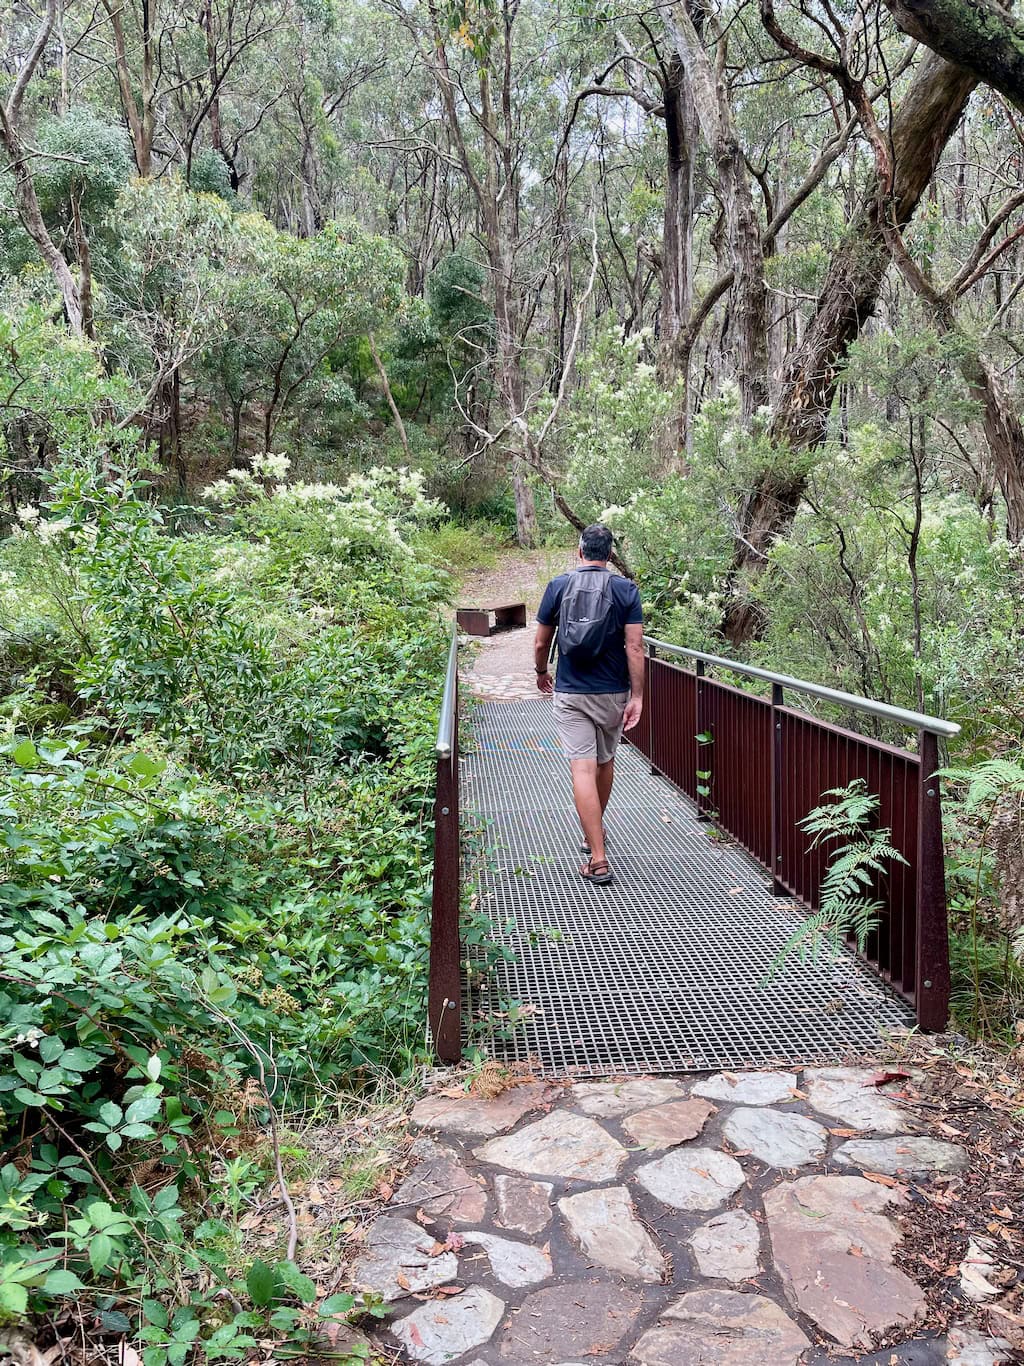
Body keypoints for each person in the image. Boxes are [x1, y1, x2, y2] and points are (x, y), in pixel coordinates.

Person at [534, 524, 644, 886]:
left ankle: (597, 857)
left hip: (571, 690)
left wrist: (540, 672)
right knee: (604, 761)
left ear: (579, 551)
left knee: (582, 769)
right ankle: (591, 835)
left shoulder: (558, 586)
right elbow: (635, 648)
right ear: (609, 554)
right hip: (612, 692)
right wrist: (638, 696)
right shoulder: (625, 589)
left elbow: (540, 643)